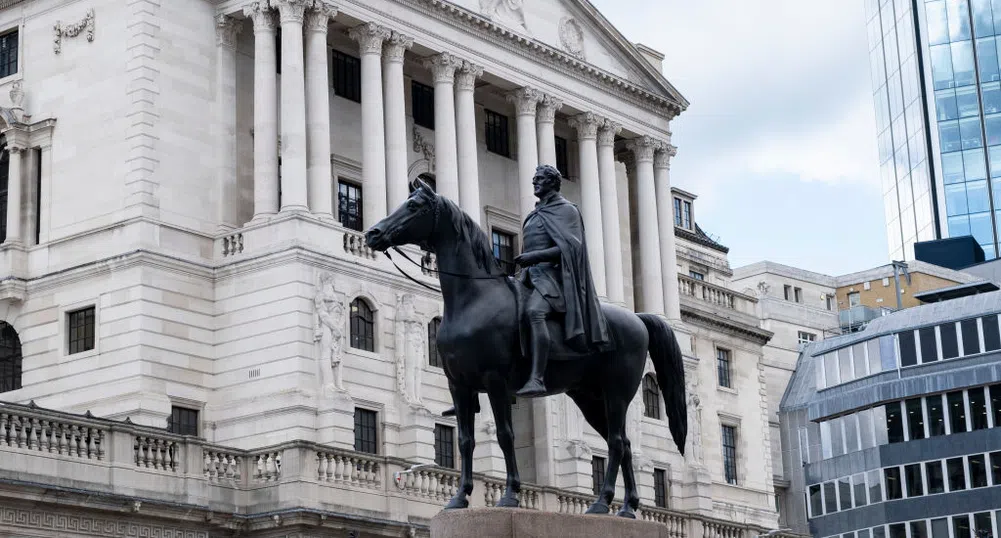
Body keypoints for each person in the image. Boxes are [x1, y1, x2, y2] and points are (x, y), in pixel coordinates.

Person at [441, 164, 609, 416]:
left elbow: (572, 249)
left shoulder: (566, 211)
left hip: (553, 280)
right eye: (534, 180)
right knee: (497, 320)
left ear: (553, 182)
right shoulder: (536, 213)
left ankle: (537, 377)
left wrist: (535, 256)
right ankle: (472, 391)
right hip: (528, 278)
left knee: (534, 314)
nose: (534, 184)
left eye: (539, 180)